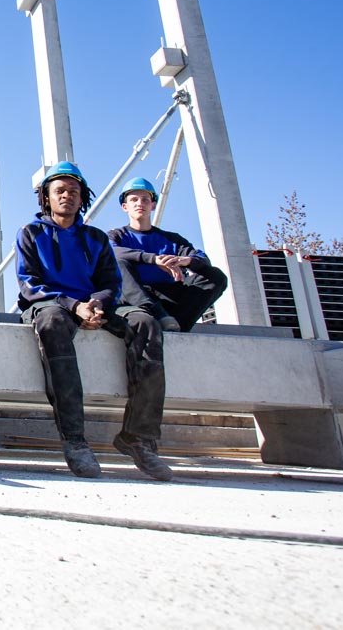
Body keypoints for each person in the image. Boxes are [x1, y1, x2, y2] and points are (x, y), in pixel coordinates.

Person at [15, 162, 172, 481]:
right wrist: (75, 307)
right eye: (59, 191)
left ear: (82, 196)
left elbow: (112, 283)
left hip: (96, 304)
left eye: (74, 191)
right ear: (45, 197)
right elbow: (29, 283)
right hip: (52, 304)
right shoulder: (30, 233)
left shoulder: (96, 238)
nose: (67, 196)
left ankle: (138, 438)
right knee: (53, 322)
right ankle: (75, 441)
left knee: (144, 322)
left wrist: (97, 304)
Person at [107, 177, 228, 332]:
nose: (139, 204)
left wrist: (186, 261)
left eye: (145, 200)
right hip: (136, 299)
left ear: (153, 205)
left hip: (169, 297)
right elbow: (112, 252)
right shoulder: (116, 235)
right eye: (134, 200)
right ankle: (154, 313)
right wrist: (154, 259)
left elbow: (203, 259)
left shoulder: (172, 239)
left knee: (215, 276)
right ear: (125, 206)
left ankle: (178, 324)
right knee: (117, 262)